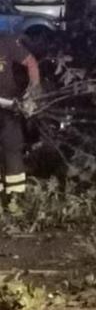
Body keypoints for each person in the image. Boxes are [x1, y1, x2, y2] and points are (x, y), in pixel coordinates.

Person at [0, 33, 40, 198]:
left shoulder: (5, 42)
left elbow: (30, 62)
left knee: (12, 147)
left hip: (9, 106)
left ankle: (15, 198)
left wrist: (33, 91)